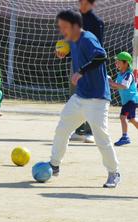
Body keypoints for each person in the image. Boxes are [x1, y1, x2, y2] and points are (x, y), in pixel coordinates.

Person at [52, 10, 120, 188]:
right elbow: (81, 55)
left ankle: (114, 172)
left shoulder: (88, 38)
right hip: (80, 97)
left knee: (101, 138)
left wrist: (81, 72)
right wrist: (65, 55)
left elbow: (100, 56)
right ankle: (54, 165)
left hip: (97, 99)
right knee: (62, 128)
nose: (61, 29)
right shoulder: (73, 41)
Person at [70, 0, 105, 143]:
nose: (82, 5)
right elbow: (73, 43)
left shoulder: (96, 22)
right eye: (80, 2)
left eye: (85, 2)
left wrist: (85, 69)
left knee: (91, 99)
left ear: (92, 4)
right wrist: (65, 53)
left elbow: (99, 51)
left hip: (91, 67)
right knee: (77, 97)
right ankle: (79, 130)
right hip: (77, 65)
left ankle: (91, 132)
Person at [109, 52, 138, 146]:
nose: (116, 63)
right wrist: (109, 83)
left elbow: (124, 86)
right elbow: (117, 86)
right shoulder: (120, 74)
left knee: (122, 117)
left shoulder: (128, 75)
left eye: (119, 61)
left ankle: (125, 137)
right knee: (132, 119)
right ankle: (125, 137)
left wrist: (111, 82)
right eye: (116, 61)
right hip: (128, 101)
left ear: (126, 63)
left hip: (131, 100)